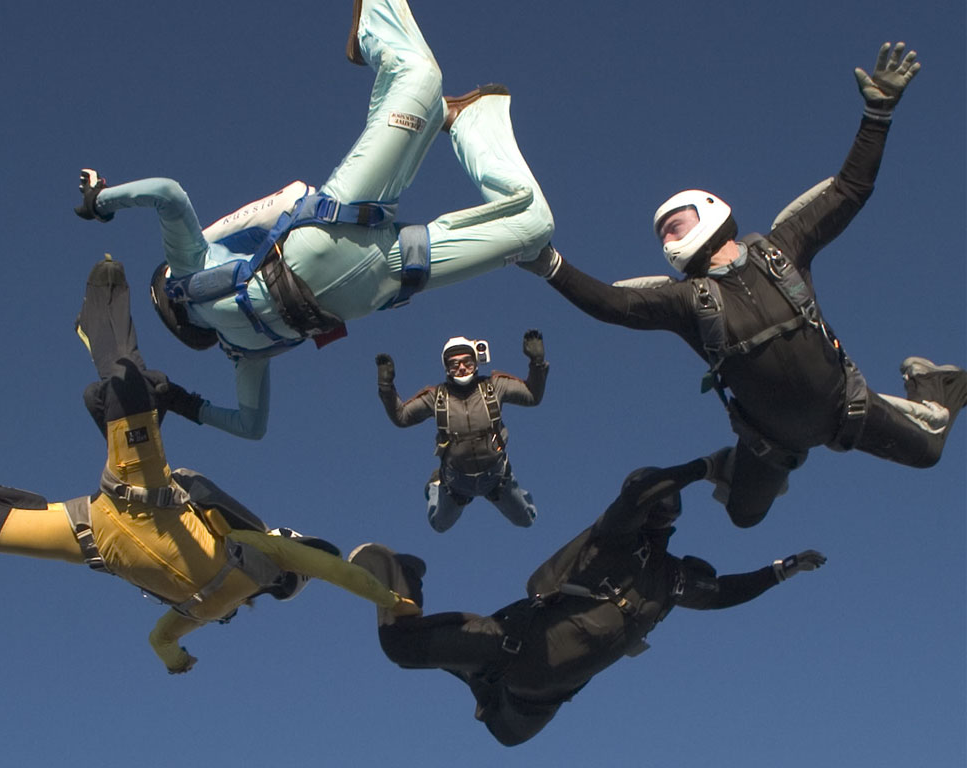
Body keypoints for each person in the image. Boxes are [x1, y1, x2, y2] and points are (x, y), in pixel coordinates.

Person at [521, 41, 967, 527]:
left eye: (676, 222)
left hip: (846, 406)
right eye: (663, 233)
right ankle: (725, 465)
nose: (669, 234)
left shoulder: (784, 247)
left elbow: (850, 189)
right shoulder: (685, 299)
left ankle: (934, 385)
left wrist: (877, 112)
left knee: (929, 454)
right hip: (774, 440)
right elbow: (613, 304)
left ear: (712, 209)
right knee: (743, 515)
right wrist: (550, 265)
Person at [73, 0, 553, 440]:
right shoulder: (233, 339)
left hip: (345, 236)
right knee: (533, 226)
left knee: (421, 80)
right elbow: (167, 195)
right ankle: (474, 122)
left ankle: (373, 23)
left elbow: (249, 426)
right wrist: (103, 202)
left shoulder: (205, 301)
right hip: (380, 274)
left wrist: (183, 402)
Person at [0, 257, 420, 675]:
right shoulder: (256, 553)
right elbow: (336, 571)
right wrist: (389, 600)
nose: (283, 577)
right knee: (125, 381)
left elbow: (161, 639)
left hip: (96, 535)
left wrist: (178, 662)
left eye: (285, 582)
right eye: (287, 577)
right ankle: (99, 327)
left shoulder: (209, 606)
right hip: (144, 501)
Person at [349, 453, 825, 746]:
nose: (662, 505)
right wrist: (702, 469)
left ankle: (476, 679)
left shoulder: (670, 578)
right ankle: (405, 572)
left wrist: (780, 571)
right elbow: (637, 494)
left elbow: (724, 593)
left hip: (542, 696)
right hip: (513, 643)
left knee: (504, 737)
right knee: (402, 649)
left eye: (669, 502)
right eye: (661, 498)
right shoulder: (614, 539)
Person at [376, 330, 547, 532]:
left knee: (526, 519)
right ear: (447, 369)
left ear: (476, 363)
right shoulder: (437, 397)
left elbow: (532, 396)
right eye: (454, 364)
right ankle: (435, 485)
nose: (462, 368)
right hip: (456, 482)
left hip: (496, 478)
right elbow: (402, 417)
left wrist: (537, 363)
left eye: (467, 362)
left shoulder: (493, 387)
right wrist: (386, 387)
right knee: (439, 524)